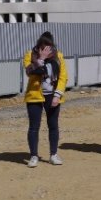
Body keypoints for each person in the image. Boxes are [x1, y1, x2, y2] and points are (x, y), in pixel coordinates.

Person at [22, 31, 66, 167]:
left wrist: (57, 95)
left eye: (48, 47)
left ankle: (53, 154)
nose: (46, 50)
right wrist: (40, 59)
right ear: (38, 46)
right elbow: (29, 72)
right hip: (34, 96)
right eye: (43, 47)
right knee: (34, 127)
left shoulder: (58, 56)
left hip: (52, 96)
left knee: (53, 126)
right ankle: (34, 156)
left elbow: (63, 77)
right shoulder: (30, 55)